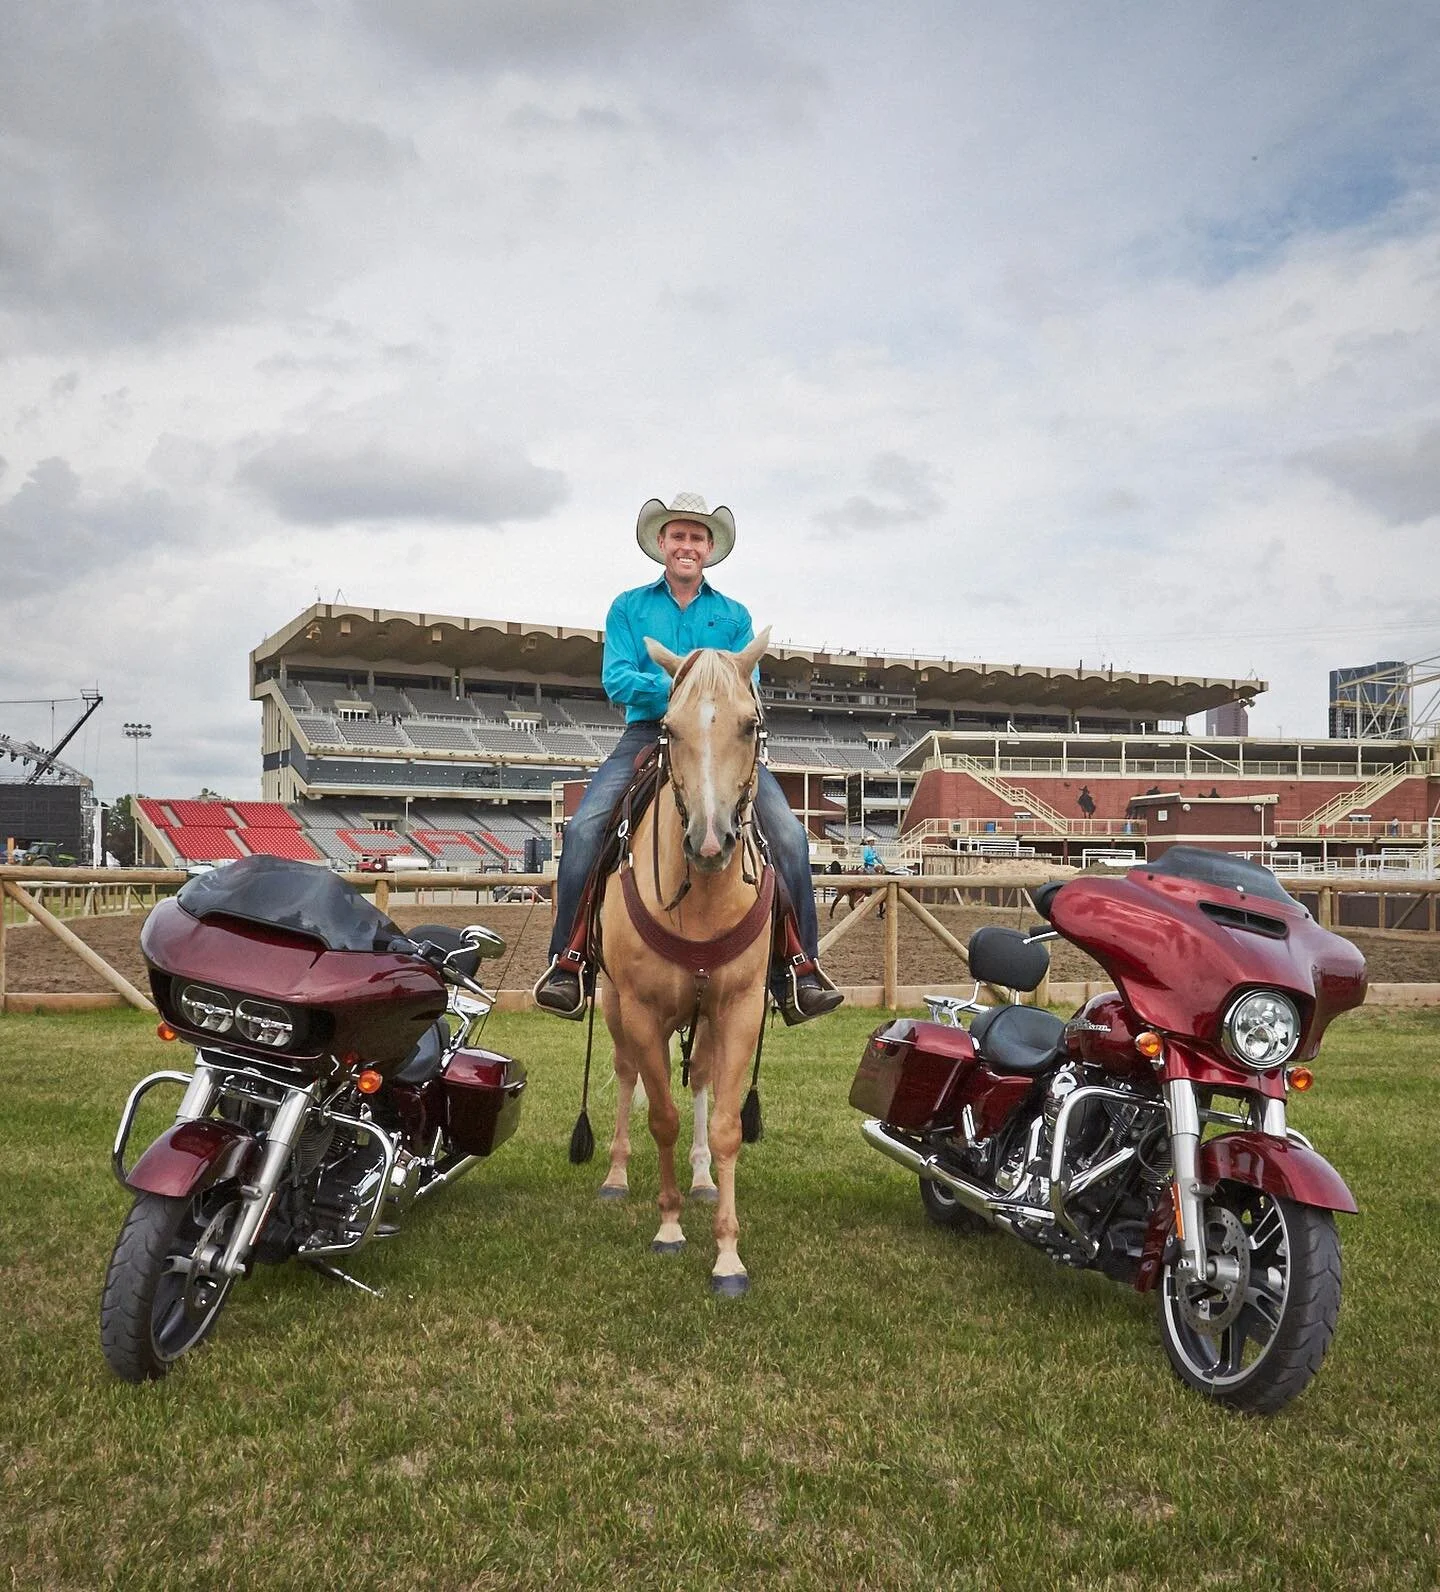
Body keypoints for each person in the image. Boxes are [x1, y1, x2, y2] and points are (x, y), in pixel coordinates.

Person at [533, 492, 843, 1025]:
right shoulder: (628, 606)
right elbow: (617, 679)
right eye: (678, 535)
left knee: (789, 836)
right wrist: (688, 691)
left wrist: (705, 698)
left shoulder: (734, 615)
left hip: (722, 743)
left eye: (697, 537)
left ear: (710, 548)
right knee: (584, 828)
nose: (687, 545)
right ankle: (570, 959)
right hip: (648, 734)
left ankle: (799, 968)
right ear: (661, 543)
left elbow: (749, 687)